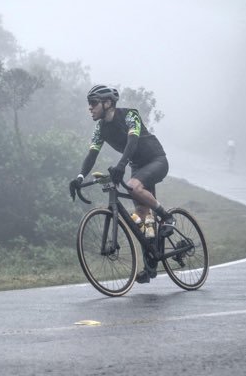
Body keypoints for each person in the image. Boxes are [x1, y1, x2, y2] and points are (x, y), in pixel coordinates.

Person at [69, 84, 174, 283]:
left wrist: (121, 165)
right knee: (142, 218)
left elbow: (132, 141)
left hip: (156, 160)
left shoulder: (129, 115)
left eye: (93, 103)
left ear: (107, 103)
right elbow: (92, 154)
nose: (89, 108)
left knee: (134, 187)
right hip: (137, 166)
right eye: (88, 104)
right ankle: (151, 266)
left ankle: (168, 217)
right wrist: (80, 178)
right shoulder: (100, 128)